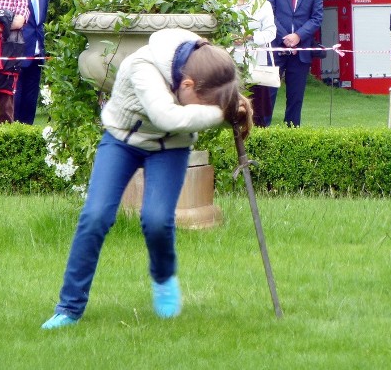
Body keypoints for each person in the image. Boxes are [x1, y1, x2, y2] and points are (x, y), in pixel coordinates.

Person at [41, 28, 253, 330]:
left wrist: (233, 104)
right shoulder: (143, 67)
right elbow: (167, 116)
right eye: (200, 104)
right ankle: (70, 307)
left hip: (171, 148)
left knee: (156, 220)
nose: (201, 110)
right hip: (122, 142)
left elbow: (219, 95)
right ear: (188, 84)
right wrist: (220, 113)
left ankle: (164, 280)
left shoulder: (206, 63)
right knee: (95, 216)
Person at [267, 0, 324, 127]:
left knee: (296, 97)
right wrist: (286, 37)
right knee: (268, 93)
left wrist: (298, 36)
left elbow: (317, 18)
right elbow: (269, 14)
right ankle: (262, 129)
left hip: (301, 50)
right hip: (276, 47)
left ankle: (292, 132)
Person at [231, 0, 277, 126]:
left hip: (256, 60)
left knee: (258, 105)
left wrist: (251, 37)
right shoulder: (227, 4)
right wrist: (231, 38)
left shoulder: (263, 5)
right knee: (234, 101)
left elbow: (271, 32)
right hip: (232, 59)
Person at [13, 0, 49, 125]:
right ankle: (13, 131)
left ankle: (28, 130)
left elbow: (39, 24)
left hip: (37, 53)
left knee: (31, 97)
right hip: (18, 51)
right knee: (16, 97)